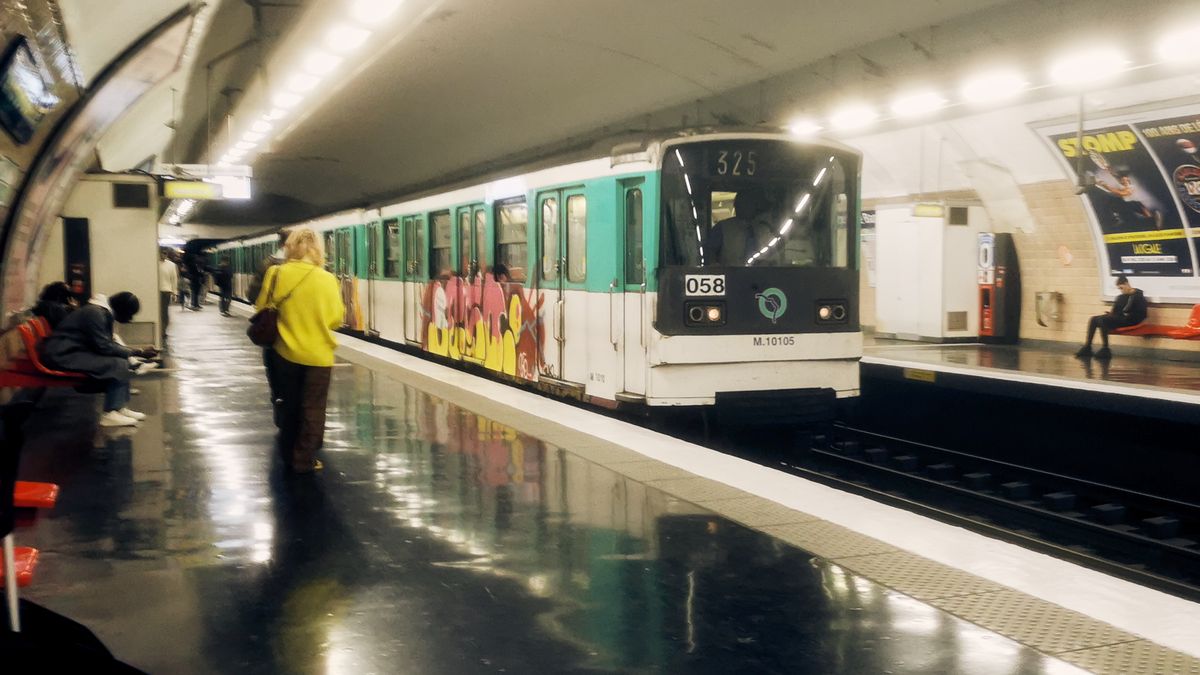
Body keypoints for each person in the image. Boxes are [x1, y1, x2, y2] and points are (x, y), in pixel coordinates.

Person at [256, 228, 344, 473]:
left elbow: (261, 307)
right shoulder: (327, 279)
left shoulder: (275, 273)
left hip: (284, 353)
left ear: (290, 247)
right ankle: (304, 459)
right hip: (319, 355)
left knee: (290, 404)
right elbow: (336, 318)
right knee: (314, 408)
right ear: (317, 249)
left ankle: (288, 452)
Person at [41, 292, 156, 427]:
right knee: (118, 364)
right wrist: (137, 352)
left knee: (120, 362)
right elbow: (104, 347)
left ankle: (119, 408)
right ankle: (110, 413)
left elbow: (105, 344)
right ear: (121, 309)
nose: (129, 319)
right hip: (62, 355)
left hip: (70, 352)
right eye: (129, 314)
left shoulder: (99, 312)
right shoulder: (95, 314)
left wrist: (135, 353)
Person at [248, 230, 289, 422]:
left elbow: (252, 295)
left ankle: (279, 405)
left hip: (273, 332)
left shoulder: (268, 265)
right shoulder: (316, 269)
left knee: (274, 370)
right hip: (305, 336)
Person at [1076, 275, 1147, 360]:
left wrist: (1115, 315)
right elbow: (1116, 310)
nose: (1121, 291)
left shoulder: (1137, 295)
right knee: (1094, 319)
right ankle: (1088, 346)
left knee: (1103, 320)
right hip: (1120, 317)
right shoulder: (1121, 297)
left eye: (1121, 288)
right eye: (1119, 289)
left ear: (1126, 284)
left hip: (1131, 320)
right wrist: (1111, 314)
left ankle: (1105, 348)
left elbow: (1129, 310)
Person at [708, 189, 776, 266]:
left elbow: (773, 256)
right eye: (742, 203)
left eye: (749, 203)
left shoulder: (765, 229)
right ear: (735, 206)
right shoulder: (723, 228)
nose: (745, 206)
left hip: (763, 276)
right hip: (731, 276)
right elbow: (710, 254)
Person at [158, 249, 177, 343]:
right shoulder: (155, 263)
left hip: (166, 291)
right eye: (162, 253)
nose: (163, 255)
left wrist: (174, 292)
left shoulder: (171, 265)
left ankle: (163, 331)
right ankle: (160, 330)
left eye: (165, 253)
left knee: (164, 312)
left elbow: (174, 279)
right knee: (159, 312)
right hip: (156, 291)